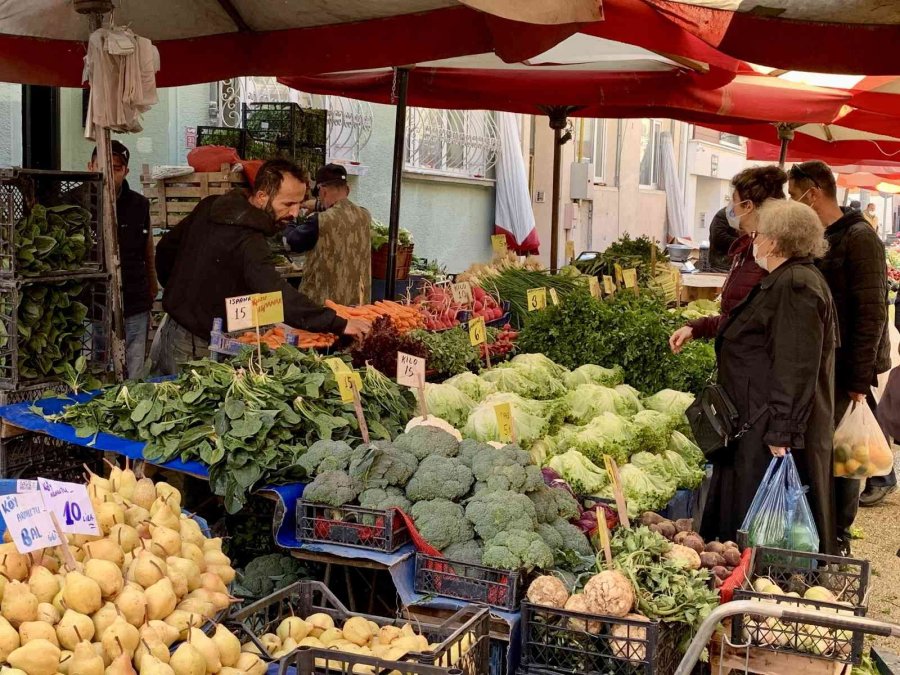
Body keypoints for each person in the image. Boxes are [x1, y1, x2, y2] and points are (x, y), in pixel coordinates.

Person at [700, 199, 837, 554]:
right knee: (747, 511)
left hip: (766, 422)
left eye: (759, 235)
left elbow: (796, 364)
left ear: (775, 242)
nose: (755, 242)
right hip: (757, 414)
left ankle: (762, 577)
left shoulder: (796, 285)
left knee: (761, 516)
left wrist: (782, 430)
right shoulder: (787, 279)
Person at [150, 159, 370, 375]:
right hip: (199, 347)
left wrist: (181, 298)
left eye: (299, 203)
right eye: (287, 204)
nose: (295, 213)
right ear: (262, 196)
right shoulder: (249, 241)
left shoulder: (211, 205)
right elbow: (275, 294)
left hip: (173, 329)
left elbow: (166, 250)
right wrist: (338, 324)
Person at [788, 160, 894, 548]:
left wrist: (856, 381)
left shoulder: (859, 238)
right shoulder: (826, 235)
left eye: (794, 194)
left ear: (812, 193)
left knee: (844, 456)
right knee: (825, 454)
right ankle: (822, 531)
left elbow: (872, 313)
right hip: (825, 366)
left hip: (847, 370)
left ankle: (839, 537)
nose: (792, 202)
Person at [670, 166, 786, 353]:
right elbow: (737, 318)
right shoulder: (748, 248)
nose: (730, 208)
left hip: (751, 370)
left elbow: (755, 328)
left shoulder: (771, 258)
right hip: (738, 367)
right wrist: (697, 328)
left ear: (748, 206)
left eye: (734, 201)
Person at [85, 140, 157, 378]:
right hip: (92, 305)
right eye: (102, 166)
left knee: (133, 369)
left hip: (134, 300)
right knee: (96, 367)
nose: (109, 173)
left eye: (116, 168)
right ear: (90, 167)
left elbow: (147, 249)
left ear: (125, 171)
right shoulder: (77, 202)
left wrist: (152, 282)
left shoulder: (139, 205)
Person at [284, 164, 372, 305]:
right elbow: (341, 209)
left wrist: (291, 219)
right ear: (347, 190)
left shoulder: (319, 220)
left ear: (323, 191)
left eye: (319, 195)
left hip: (324, 307)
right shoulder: (365, 215)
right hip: (359, 305)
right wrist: (317, 205)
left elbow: (293, 241)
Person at [708, 207, 739, 272]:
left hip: (736, 263)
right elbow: (718, 238)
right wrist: (742, 242)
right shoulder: (723, 215)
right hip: (722, 263)